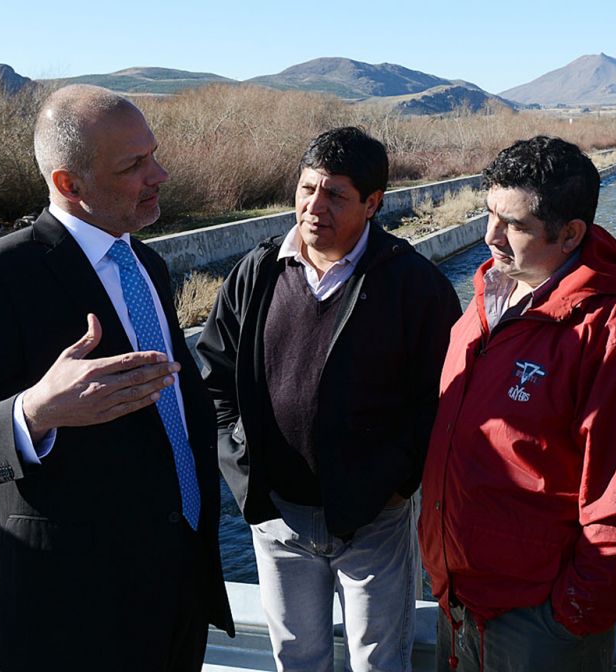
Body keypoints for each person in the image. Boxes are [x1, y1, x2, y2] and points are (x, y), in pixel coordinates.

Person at [0, 84, 233, 671]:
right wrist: (35, 411)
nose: (159, 174)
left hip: (177, 589)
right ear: (69, 183)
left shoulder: (146, 262)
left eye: (153, 154)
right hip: (75, 615)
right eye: (133, 165)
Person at [196, 126, 460, 672]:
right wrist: (244, 471)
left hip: (373, 522)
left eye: (336, 194)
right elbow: (214, 379)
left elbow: (442, 401)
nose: (315, 207)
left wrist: (395, 485)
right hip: (278, 521)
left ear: (373, 203)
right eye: (307, 188)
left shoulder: (414, 285)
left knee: (378, 662)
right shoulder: (258, 273)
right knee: (296, 659)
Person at [419, 136, 616, 671]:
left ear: (570, 234)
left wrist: (571, 615)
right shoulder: (488, 297)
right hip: (461, 600)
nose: (490, 236)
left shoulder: (614, 333)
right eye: (489, 213)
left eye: (513, 225)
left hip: (537, 623)